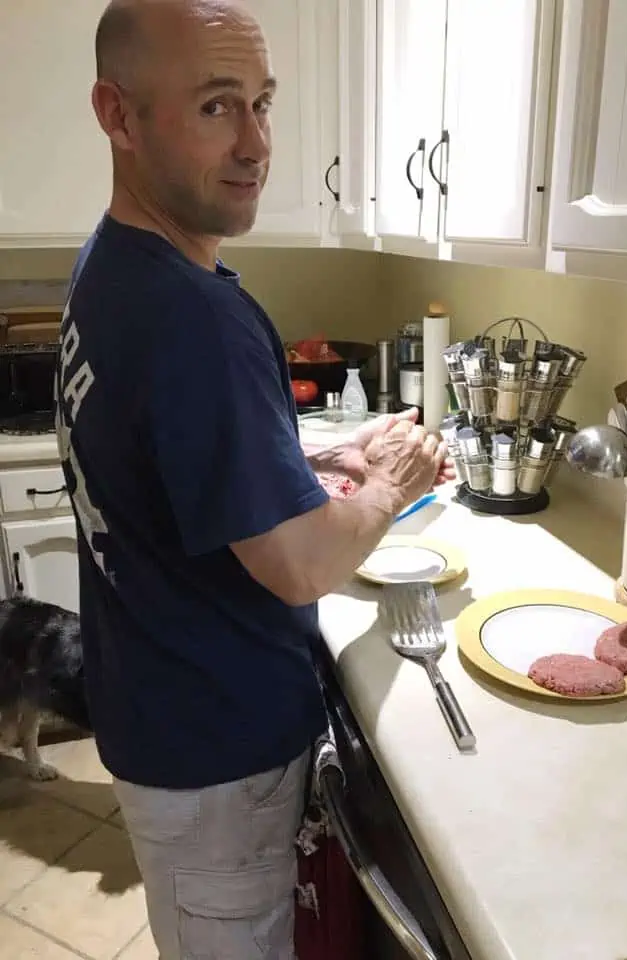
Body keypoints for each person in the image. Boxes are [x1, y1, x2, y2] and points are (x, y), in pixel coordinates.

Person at [54, 0, 452, 957]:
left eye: (262, 104)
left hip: (163, 725)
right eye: (215, 107)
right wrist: (390, 481)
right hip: (216, 758)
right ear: (117, 113)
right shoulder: (195, 317)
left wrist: (306, 457)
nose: (255, 143)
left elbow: (159, 463)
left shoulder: (111, 269)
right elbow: (303, 564)